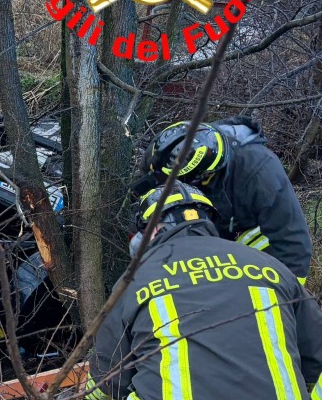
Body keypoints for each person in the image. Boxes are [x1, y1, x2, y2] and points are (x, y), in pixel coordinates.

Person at [82, 182, 322, 400]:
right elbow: (315, 356)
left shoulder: (136, 278)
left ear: (150, 232)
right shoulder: (269, 265)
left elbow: (108, 376)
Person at [134, 117, 313, 284]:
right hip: (207, 227)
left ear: (206, 175)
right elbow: (143, 200)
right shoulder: (162, 156)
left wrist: (292, 299)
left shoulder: (261, 173)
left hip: (247, 232)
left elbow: (293, 244)